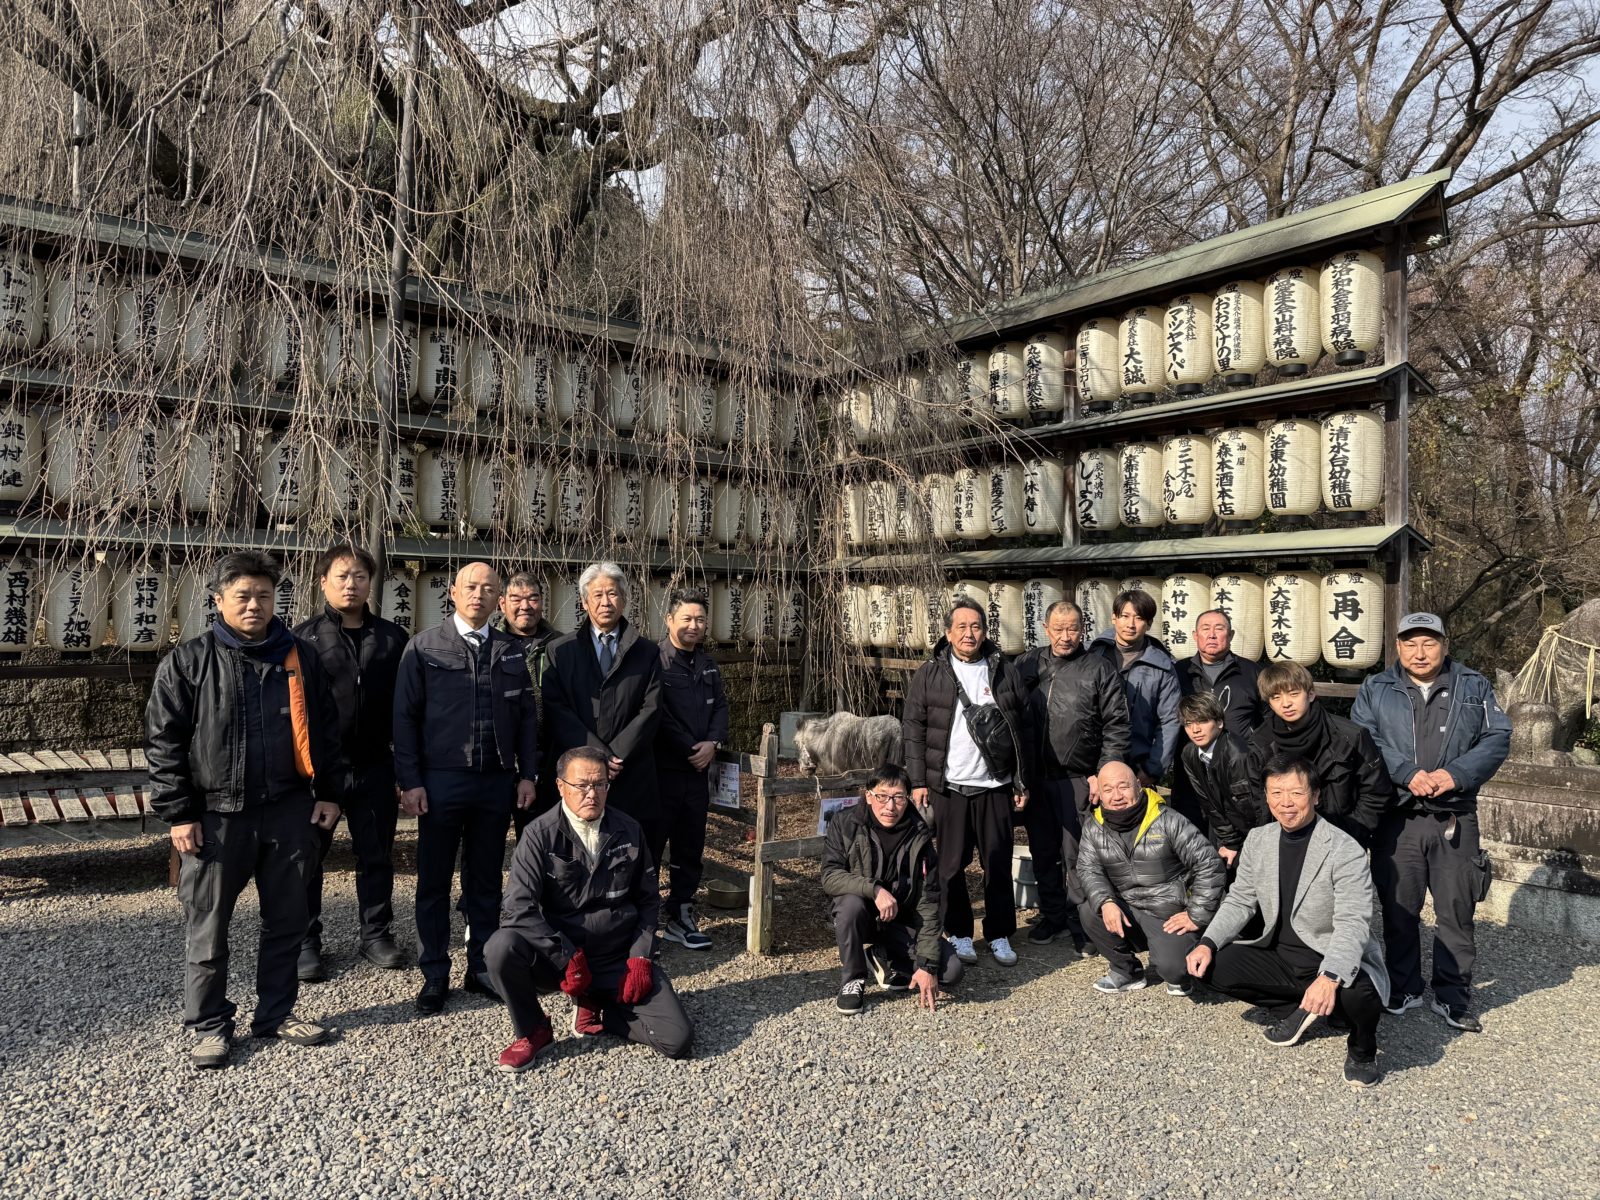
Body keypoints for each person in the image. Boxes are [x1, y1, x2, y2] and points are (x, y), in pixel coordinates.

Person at [145, 550, 349, 1069]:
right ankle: (210, 1024)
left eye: (263, 595)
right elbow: (164, 743)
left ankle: (276, 1013)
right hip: (216, 816)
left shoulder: (300, 658)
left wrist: (330, 792)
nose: (254, 604)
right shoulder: (189, 662)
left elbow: (327, 730)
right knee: (208, 926)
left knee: (287, 921)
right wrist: (179, 813)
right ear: (218, 600)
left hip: (289, 809)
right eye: (243, 596)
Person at [1186, 754, 1390, 1089]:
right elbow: (1240, 900)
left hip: (1325, 954)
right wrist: (1208, 942)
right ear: (1266, 797)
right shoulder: (1259, 839)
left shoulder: (1345, 849)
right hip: (1279, 954)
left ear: (1315, 795)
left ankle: (1362, 1051)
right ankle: (1301, 1008)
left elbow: (1353, 921)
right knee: (1207, 966)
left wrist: (1330, 977)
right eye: (1276, 793)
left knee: (1361, 995)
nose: (1286, 803)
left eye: (1296, 793)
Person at [485, 747, 693, 1072]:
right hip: (560, 960)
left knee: (676, 1040)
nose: (591, 793)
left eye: (600, 784)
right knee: (500, 947)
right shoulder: (539, 835)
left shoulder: (629, 830)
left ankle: (601, 1009)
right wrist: (565, 955)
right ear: (560, 786)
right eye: (581, 785)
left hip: (616, 956)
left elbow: (648, 901)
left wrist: (640, 957)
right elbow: (516, 908)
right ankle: (533, 1029)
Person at [1351, 613, 1511, 1033]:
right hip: (1397, 816)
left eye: (1429, 643)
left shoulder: (1473, 685)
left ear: (1444, 645)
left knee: (1456, 910)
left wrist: (1455, 774)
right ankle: (1404, 987)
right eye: (1410, 643)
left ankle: (1452, 995)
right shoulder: (1376, 688)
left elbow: (1497, 737)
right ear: (1398, 647)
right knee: (1399, 908)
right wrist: (1405, 772)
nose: (1419, 653)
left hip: (1454, 816)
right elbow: (1363, 737)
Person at [394, 562, 539, 1016]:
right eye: (471, 587)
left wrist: (528, 774)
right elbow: (404, 719)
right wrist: (411, 781)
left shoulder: (510, 651)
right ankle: (434, 972)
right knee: (434, 880)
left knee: (486, 880)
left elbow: (527, 719)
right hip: (441, 781)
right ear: (453, 593)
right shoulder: (424, 647)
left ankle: (480, 967)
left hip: (495, 781)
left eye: (489, 589)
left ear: (499, 600)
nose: (479, 595)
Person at [293, 543, 410, 979]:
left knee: (376, 855)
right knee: (309, 857)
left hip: (375, 765)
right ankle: (306, 940)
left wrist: (404, 767)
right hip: (320, 770)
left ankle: (376, 934)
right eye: (342, 576)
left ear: (370, 584)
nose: (351, 584)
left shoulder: (392, 638)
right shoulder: (303, 639)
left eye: (360, 577)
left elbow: (406, 707)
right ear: (323, 582)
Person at [902, 598, 1032, 968]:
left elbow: (1023, 728)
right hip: (950, 786)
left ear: (985, 631)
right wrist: (918, 781)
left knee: (997, 862)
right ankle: (959, 932)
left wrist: (1021, 781)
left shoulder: (1004, 671)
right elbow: (913, 728)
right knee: (950, 866)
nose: (969, 634)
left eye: (975, 626)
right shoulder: (930, 674)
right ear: (947, 633)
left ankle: (999, 933)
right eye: (961, 627)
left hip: (995, 786)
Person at [1017, 598, 1130, 948]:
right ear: (1045, 629)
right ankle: (1053, 917)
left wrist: (1103, 772)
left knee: (1078, 855)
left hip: (1079, 777)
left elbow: (1116, 724)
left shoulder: (1098, 668)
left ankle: (1084, 924)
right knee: (1043, 851)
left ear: (1084, 630)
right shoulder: (1027, 663)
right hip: (1036, 778)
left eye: (1073, 629)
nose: (1066, 636)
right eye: (1058, 629)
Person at [820, 764, 965, 1014]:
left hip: (900, 921)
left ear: (908, 798)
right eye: (882, 796)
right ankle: (854, 978)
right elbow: (830, 876)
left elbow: (929, 901)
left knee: (951, 972)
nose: (890, 806)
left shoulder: (919, 833)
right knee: (850, 904)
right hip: (861, 918)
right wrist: (874, 890)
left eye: (898, 797)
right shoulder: (845, 823)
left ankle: (882, 956)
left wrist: (927, 965)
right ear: (868, 796)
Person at [542, 562, 663, 855]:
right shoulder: (561, 651)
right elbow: (556, 708)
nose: (605, 602)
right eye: (597, 595)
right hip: (579, 771)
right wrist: (596, 756)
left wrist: (616, 755)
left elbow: (652, 708)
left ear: (624, 599)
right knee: (577, 848)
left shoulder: (647, 651)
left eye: (612, 594)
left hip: (630, 768)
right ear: (584, 602)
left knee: (629, 848)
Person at [1076, 761, 1224, 996]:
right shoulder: (1094, 826)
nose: (1117, 796)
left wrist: (1196, 914)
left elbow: (1209, 863)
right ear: (1099, 794)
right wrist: (1106, 902)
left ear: (1138, 785)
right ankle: (1127, 971)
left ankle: (1183, 953)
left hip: (1168, 913)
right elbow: (1088, 869)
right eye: (1108, 789)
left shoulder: (1168, 819)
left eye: (1123, 786)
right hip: (1128, 909)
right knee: (1089, 910)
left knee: (1175, 971)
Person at [654, 588, 729, 952]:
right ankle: (642, 919)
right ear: (669, 620)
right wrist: (690, 749)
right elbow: (658, 714)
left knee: (690, 845)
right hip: (663, 771)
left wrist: (713, 743)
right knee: (651, 844)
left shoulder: (707, 663)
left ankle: (681, 912)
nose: (694, 625)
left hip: (697, 774)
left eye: (700, 619)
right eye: (686, 618)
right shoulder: (655, 661)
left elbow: (722, 708)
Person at [1245, 661, 1389, 847]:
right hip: (1283, 841)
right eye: (1276, 697)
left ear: (1311, 694)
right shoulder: (1260, 744)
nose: (1286, 703)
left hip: (1340, 838)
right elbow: (1258, 802)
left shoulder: (1350, 736)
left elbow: (1376, 791)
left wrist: (1349, 833)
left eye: (1294, 694)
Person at [1088, 589, 1181, 789]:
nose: (1131, 624)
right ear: (1114, 617)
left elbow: (1169, 721)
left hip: (1137, 769)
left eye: (1139, 618)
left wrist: (1152, 769)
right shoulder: (1092, 655)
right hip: (1089, 767)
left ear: (1149, 623)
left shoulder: (1162, 666)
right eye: (1125, 616)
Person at [498, 571, 561, 839]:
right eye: (516, 599)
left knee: (543, 838)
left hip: (547, 760)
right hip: (498, 762)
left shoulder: (561, 646)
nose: (525, 606)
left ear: (542, 602)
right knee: (487, 843)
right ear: (502, 603)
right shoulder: (491, 645)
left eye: (533, 598)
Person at [1176, 690, 1266, 867]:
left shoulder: (1237, 755)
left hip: (1254, 829)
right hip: (1224, 827)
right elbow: (1206, 800)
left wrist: (1239, 845)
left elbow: (1252, 807)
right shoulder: (1189, 753)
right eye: (1188, 724)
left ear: (1219, 722)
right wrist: (1229, 840)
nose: (1195, 730)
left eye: (1203, 721)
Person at [1176, 609, 1264, 736]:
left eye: (1219, 629)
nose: (1212, 635)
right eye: (1205, 629)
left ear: (1231, 635)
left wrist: (1256, 745)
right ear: (1195, 635)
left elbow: (1269, 715)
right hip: (1192, 747)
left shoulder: (1251, 671)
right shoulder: (1179, 671)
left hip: (1242, 748)